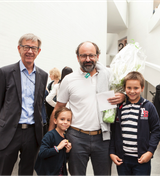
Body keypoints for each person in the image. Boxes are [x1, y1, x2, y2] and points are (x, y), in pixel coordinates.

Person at [48, 41, 125, 176]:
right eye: (83, 56)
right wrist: (50, 137)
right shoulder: (69, 80)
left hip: (103, 137)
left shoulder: (109, 77)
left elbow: (131, 90)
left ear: (98, 56)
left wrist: (123, 96)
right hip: (76, 138)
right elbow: (59, 108)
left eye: (91, 55)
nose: (88, 59)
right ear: (77, 57)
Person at [0, 33, 48, 176]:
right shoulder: (5, 72)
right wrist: (4, 123)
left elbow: (39, 104)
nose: (30, 51)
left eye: (34, 48)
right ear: (19, 49)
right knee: (2, 171)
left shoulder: (43, 75)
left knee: (27, 172)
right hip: (9, 131)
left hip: (32, 132)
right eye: (26, 47)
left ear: (38, 51)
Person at [109, 71, 160, 176]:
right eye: (129, 88)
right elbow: (113, 131)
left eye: (136, 88)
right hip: (122, 159)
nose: (132, 91)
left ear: (142, 88)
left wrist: (150, 152)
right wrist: (112, 152)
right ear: (124, 88)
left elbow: (156, 131)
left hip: (142, 159)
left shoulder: (148, 107)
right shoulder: (119, 107)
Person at [35, 107, 72, 176]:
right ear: (55, 121)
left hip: (60, 172)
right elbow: (42, 153)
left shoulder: (65, 137)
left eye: (68, 120)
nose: (65, 122)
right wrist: (57, 148)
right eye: (62, 119)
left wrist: (67, 151)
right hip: (48, 172)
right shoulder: (50, 135)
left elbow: (63, 157)